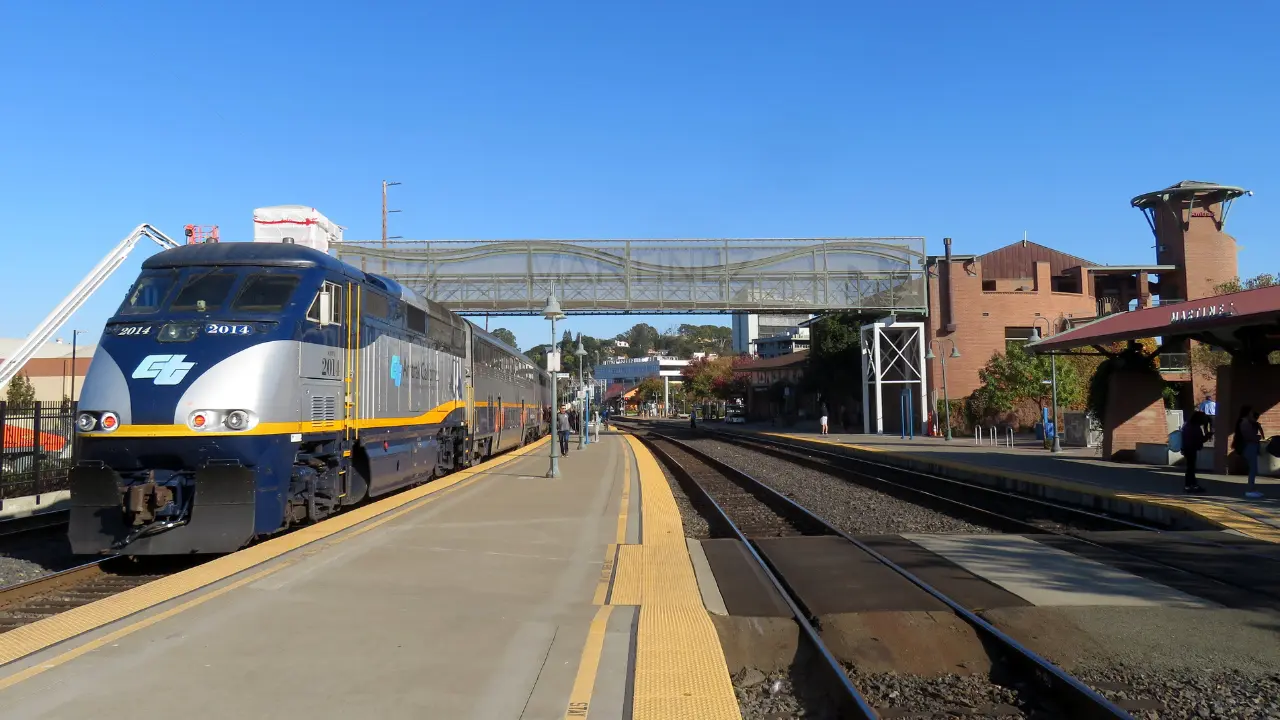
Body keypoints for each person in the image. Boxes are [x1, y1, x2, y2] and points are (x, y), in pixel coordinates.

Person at [1234, 406, 1265, 499]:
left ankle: (1252, 489)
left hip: (1250, 447)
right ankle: (1250, 490)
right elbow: (1248, 436)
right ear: (1248, 412)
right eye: (1251, 412)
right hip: (1249, 447)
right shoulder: (1245, 422)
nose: (1252, 413)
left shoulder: (1248, 422)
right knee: (1253, 469)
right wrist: (1258, 437)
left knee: (1253, 469)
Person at [1180, 411, 1210, 494]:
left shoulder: (1187, 425)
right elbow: (1200, 440)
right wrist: (1208, 436)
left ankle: (1193, 485)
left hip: (1186, 448)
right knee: (1191, 468)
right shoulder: (1195, 428)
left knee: (1190, 467)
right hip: (1191, 449)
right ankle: (1188, 486)